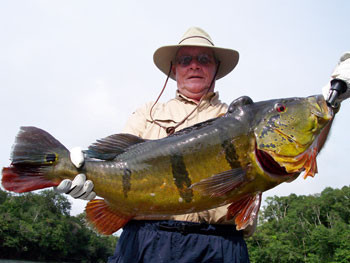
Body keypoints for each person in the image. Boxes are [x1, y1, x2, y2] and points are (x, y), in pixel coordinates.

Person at [55, 27, 350, 263]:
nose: (194, 65)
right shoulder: (146, 114)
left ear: (216, 68)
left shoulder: (240, 119)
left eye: (204, 59)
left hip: (219, 245)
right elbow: (116, 167)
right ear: (174, 69)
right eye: (185, 60)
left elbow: (302, 146)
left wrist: (330, 105)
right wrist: (84, 178)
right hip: (145, 243)